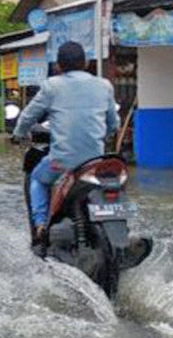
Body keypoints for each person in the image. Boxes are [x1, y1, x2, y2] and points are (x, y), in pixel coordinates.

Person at [12, 41, 120, 255]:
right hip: (97, 163)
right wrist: (102, 136)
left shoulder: (52, 86)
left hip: (62, 162)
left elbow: (27, 116)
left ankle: (41, 226)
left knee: (37, 178)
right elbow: (113, 124)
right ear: (86, 63)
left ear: (59, 66)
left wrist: (17, 134)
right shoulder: (104, 85)